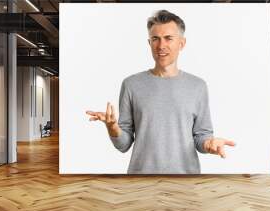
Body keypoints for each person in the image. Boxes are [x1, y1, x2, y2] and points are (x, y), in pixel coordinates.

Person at [86, 9, 235, 174]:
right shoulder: (131, 84)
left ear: (182, 43)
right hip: (140, 180)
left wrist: (209, 144)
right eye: (155, 39)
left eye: (168, 38)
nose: (161, 45)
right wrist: (113, 127)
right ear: (149, 43)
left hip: (186, 180)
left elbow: (202, 136)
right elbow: (123, 145)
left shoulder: (198, 86)